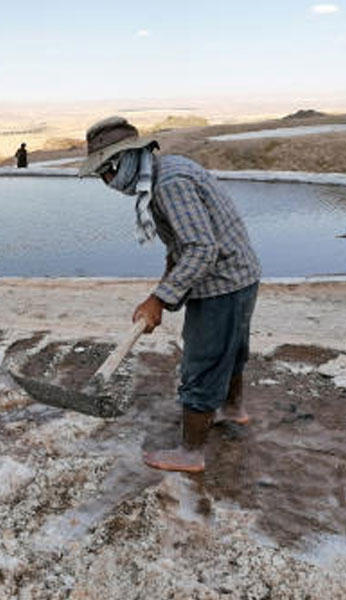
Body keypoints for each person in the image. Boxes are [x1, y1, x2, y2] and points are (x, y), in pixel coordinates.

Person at [79, 116, 261, 473]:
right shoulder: (165, 170)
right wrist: (162, 292)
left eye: (107, 172)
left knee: (203, 362)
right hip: (241, 274)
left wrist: (159, 299)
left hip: (222, 282)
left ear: (127, 160)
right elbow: (180, 244)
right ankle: (233, 409)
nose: (107, 182)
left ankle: (191, 452)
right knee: (232, 349)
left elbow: (201, 249)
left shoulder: (169, 185)